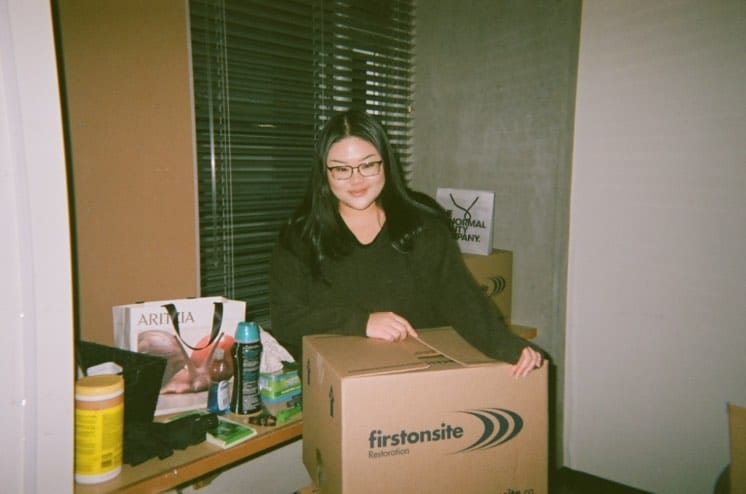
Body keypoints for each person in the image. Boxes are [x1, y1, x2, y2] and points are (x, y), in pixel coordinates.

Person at [269, 110, 543, 377]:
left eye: (368, 165)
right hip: (342, 387)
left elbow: (462, 300)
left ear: (385, 163)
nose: (356, 179)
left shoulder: (422, 226)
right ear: (324, 174)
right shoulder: (301, 236)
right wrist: (362, 323)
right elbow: (286, 320)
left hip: (415, 381)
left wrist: (508, 346)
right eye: (341, 169)